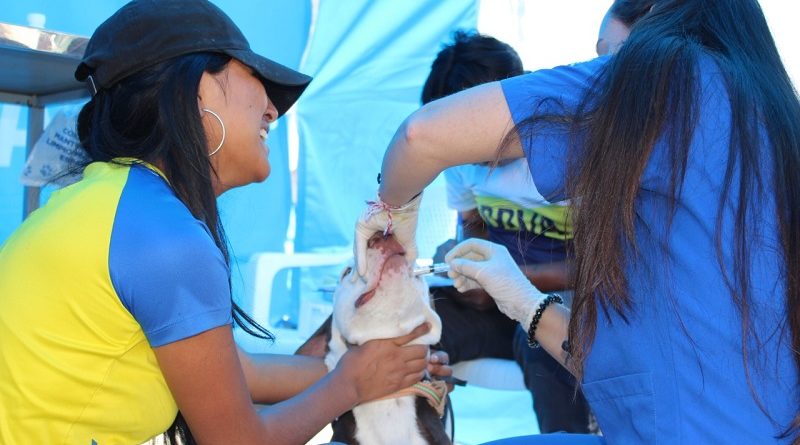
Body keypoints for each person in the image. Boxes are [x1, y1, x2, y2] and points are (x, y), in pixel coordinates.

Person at [0, 1, 450, 444]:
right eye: (257, 80)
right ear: (198, 91)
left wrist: (381, 365)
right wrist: (349, 385)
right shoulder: (165, 237)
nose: (273, 111)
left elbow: (243, 372)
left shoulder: (114, 202)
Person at [355, 0, 800, 443]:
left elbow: (420, 136)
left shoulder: (663, 82)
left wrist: (392, 213)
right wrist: (524, 302)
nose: (600, 76)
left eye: (610, 59)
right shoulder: (770, 117)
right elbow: (632, 362)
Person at [422, 30, 592, 434]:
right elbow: (474, 229)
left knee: (546, 344)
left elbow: (604, 270)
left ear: (511, 104)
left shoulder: (574, 155)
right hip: (496, 310)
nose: (460, 147)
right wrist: (461, 261)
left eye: (465, 128)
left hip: (560, 311)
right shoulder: (462, 162)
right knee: (414, 326)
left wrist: (511, 281)